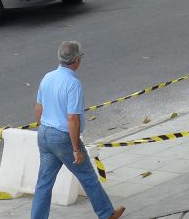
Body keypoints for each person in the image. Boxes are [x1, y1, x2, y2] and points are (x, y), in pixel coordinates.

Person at [30, 41, 124, 219]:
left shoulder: (47, 77)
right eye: (80, 57)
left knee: (44, 182)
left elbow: (38, 108)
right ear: (75, 60)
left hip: (44, 134)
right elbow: (72, 118)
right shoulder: (73, 83)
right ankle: (106, 214)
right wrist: (76, 149)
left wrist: (44, 129)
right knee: (88, 177)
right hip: (63, 137)